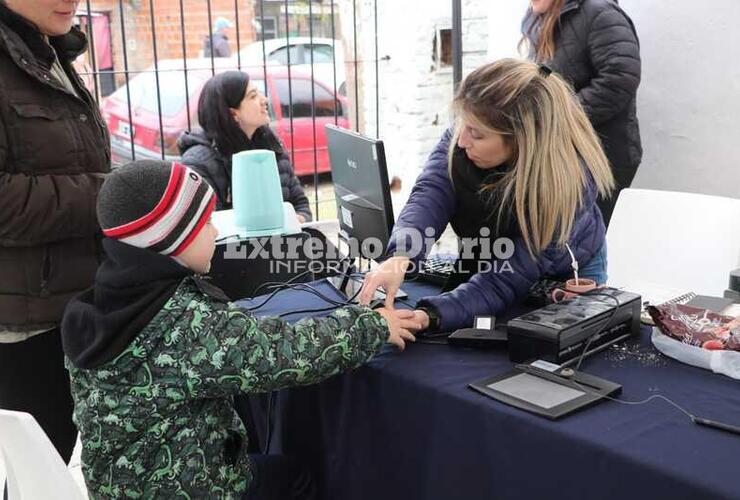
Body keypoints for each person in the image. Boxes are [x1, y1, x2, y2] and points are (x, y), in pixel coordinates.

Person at [61, 160, 419, 498]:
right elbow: (286, 354)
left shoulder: (102, 305)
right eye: (204, 224)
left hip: (121, 487)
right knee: (295, 477)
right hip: (191, 489)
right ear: (171, 239)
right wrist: (373, 324)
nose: (216, 232)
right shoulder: (183, 322)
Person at [359, 59, 614, 334]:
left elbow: (504, 280)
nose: (461, 141)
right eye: (463, 125)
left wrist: (428, 315)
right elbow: (430, 195)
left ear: (521, 140)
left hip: (567, 275)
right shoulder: (465, 133)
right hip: (493, 257)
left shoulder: (566, 187)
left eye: (476, 134)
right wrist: (402, 255)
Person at [0, 0, 110, 464]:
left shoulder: (48, 50)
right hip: (26, 328)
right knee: (38, 473)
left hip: (73, 305)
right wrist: (106, 195)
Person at [521, 0, 641, 225]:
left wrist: (558, 116)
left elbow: (620, 78)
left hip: (602, 158)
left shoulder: (599, 12)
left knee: (586, 245)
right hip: (565, 156)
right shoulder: (540, 18)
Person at [179, 71, 313, 222]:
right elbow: (207, 224)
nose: (265, 100)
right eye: (253, 96)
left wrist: (296, 220)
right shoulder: (199, 163)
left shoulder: (271, 144)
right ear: (233, 113)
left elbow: (301, 205)